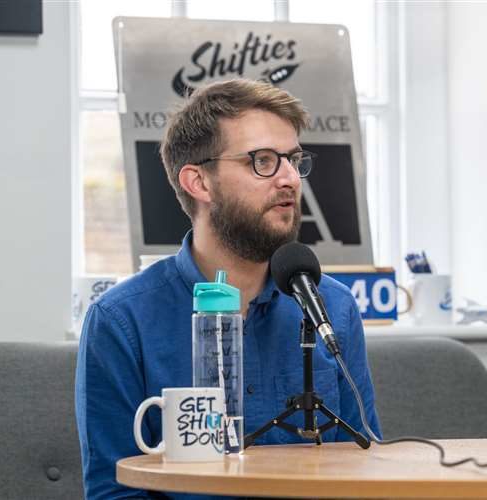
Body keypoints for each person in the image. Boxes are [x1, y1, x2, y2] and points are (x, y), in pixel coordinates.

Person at [75, 79, 381, 499]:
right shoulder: (121, 322)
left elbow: (366, 471)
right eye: (264, 161)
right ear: (199, 182)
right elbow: (115, 491)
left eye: (293, 160)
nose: (290, 178)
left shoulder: (333, 307)